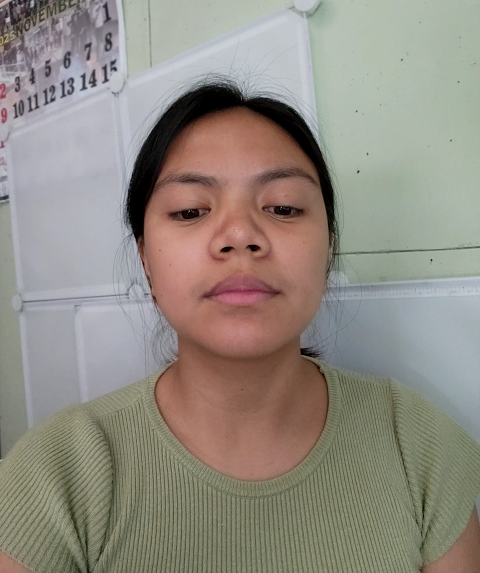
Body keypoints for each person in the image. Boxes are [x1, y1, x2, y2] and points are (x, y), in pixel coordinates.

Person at [0, 81, 479, 572]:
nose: (240, 235)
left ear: (329, 247)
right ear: (145, 259)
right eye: (190, 211)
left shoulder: (419, 445)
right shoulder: (54, 477)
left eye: (284, 207)